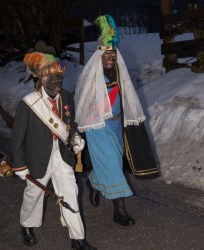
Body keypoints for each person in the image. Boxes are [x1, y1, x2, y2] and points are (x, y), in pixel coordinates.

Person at [75, 15, 159, 226]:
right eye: (107, 54)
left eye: (113, 54)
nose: (110, 58)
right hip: (97, 127)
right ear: (100, 56)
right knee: (113, 166)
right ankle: (119, 211)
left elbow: (127, 100)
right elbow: (84, 104)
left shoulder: (121, 75)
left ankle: (94, 182)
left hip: (116, 126)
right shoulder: (92, 77)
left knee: (110, 164)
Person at [11, 52, 97, 250]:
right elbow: (17, 139)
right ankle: (26, 225)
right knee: (34, 194)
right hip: (37, 158)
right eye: (53, 77)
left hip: (62, 156)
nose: (58, 80)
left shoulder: (67, 96)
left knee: (70, 192)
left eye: (60, 77)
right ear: (42, 77)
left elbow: (70, 124)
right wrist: (20, 165)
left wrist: (75, 137)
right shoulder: (28, 104)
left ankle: (78, 239)